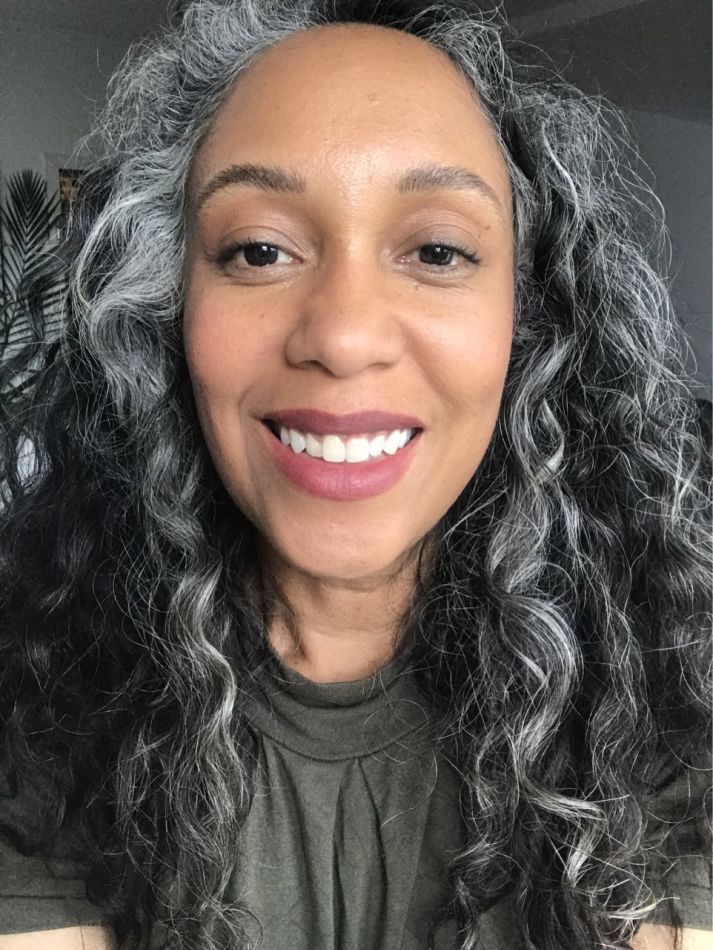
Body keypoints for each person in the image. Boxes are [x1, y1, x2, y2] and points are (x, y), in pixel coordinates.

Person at [0, 1, 710, 948]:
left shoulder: (667, 701)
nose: (341, 336)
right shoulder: (41, 701)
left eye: (436, 251)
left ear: (528, 319)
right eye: (259, 250)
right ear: (166, 306)